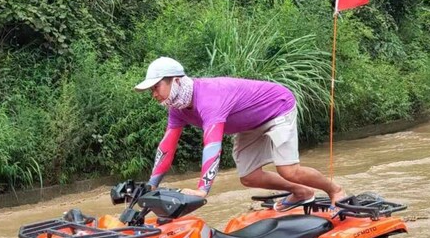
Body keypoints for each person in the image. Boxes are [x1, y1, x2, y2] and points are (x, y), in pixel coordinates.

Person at [134, 57, 345, 210]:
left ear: (176, 81)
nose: (153, 94)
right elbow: (167, 147)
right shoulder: (177, 110)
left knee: (288, 170)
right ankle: (302, 192)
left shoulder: (209, 98)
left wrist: (202, 190)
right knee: (249, 177)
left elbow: (212, 147)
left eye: (156, 87)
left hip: (277, 108)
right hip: (248, 123)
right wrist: (151, 184)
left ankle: (334, 190)